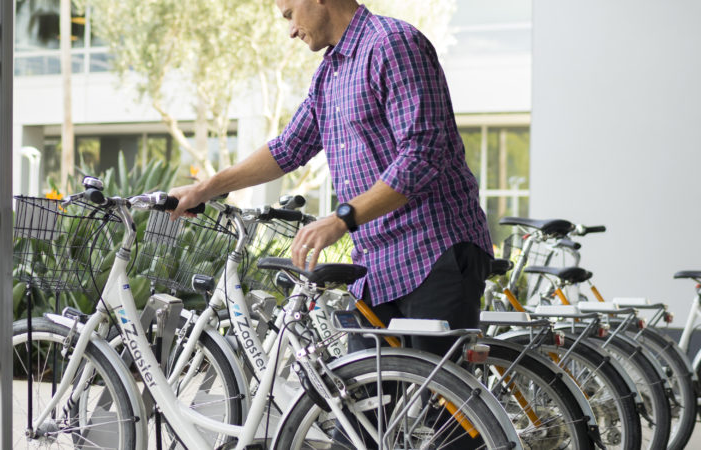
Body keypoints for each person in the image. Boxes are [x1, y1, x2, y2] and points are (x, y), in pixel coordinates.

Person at [170, 0, 490, 362]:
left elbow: (423, 152)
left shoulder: (393, 44)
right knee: (366, 407)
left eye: (290, 14)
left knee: (441, 408)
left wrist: (341, 218)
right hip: (376, 265)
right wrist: (204, 189)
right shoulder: (329, 74)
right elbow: (288, 148)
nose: (290, 30)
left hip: (433, 252)